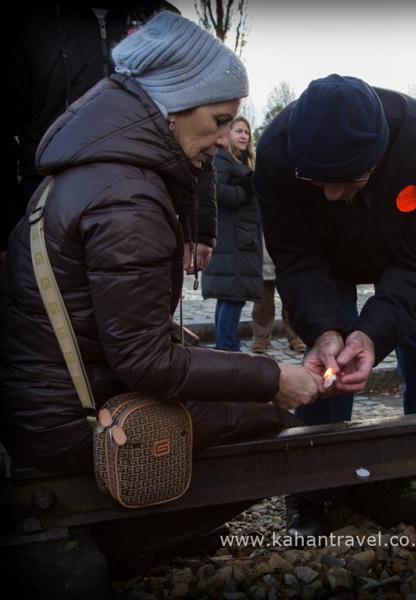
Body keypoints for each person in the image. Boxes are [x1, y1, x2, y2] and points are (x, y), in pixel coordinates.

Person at [0, 12, 322, 475]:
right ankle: (159, 528)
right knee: (269, 418)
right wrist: (273, 379)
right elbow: (146, 364)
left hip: (40, 406)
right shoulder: (128, 198)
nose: (221, 140)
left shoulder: (96, 169)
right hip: (70, 423)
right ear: (173, 105)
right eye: (218, 120)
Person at [254, 74, 416, 536]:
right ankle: (311, 492)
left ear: (378, 158)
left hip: (402, 256)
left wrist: (373, 333)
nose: (330, 195)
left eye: (348, 180)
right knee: (326, 370)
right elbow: (296, 258)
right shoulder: (277, 153)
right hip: (326, 262)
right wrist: (325, 328)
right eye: (316, 180)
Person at [0, 2, 213, 278]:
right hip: (47, 227)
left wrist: (198, 225)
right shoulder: (26, 22)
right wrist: (4, 232)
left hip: (144, 221)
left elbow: (196, 126)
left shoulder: (164, 21)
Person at [201, 116, 263, 351]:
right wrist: (244, 190)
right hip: (233, 240)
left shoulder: (243, 163)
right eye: (238, 131)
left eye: (247, 132)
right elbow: (217, 192)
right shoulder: (222, 159)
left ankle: (226, 346)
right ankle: (228, 348)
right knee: (232, 297)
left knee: (229, 296)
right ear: (227, 134)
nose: (243, 136)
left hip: (241, 238)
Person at [251, 240, 306, 354]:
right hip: (263, 246)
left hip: (289, 247)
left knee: (292, 295)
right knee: (263, 298)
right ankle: (261, 337)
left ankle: (296, 335)